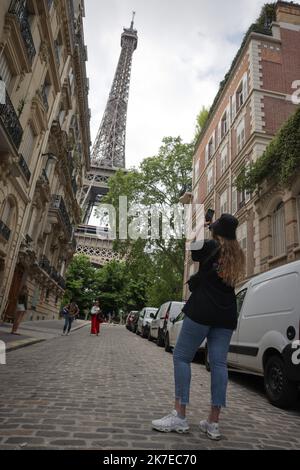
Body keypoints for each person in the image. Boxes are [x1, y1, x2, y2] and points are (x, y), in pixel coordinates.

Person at [152, 214, 245, 441]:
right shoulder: (238, 254)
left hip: (203, 309)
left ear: (216, 230)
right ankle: (213, 422)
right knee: (219, 364)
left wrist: (199, 226)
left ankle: (180, 415)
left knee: (182, 357)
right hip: (226, 313)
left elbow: (192, 248)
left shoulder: (211, 245)